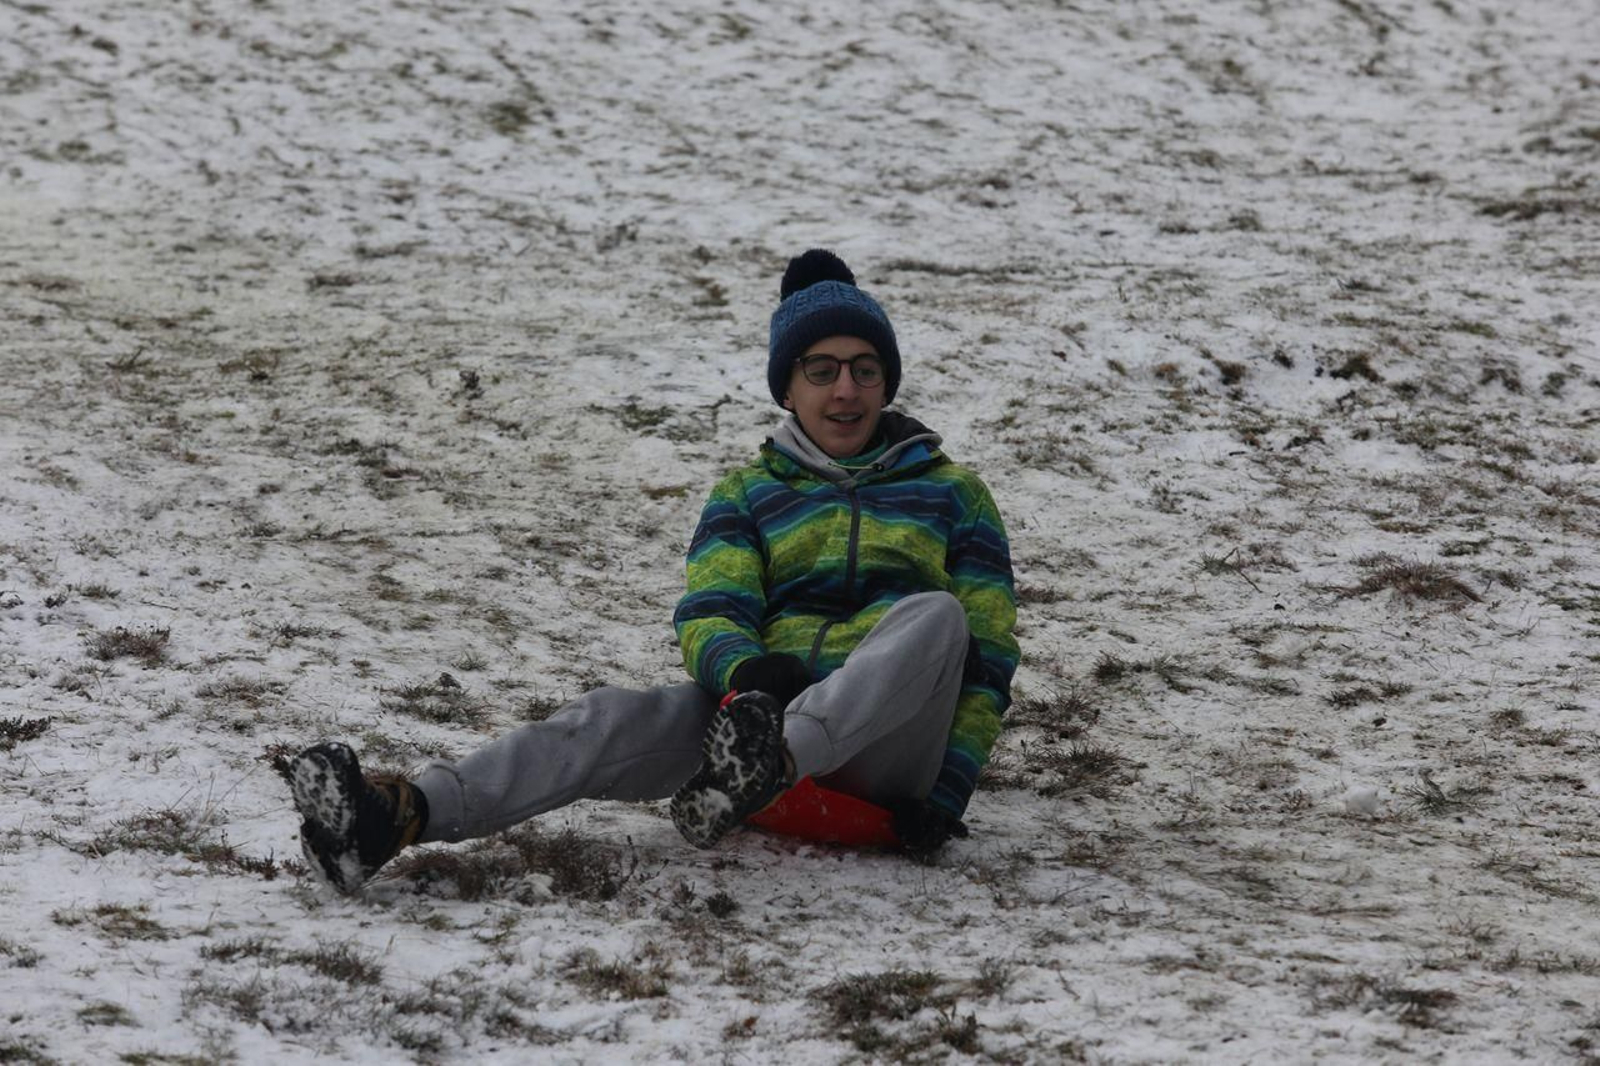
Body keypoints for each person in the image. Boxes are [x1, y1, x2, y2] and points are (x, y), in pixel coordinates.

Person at [289, 249, 1020, 893]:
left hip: (887, 749)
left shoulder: (954, 494)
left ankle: (769, 762)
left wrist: (948, 791)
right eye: (821, 370)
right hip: (756, 731)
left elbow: (984, 659)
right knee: (609, 718)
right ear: (787, 389)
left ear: (887, 383)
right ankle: (396, 818)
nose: (845, 391)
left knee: (938, 617)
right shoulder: (748, 495)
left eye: (865, 370)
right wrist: (747, 682)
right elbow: (712, 611)